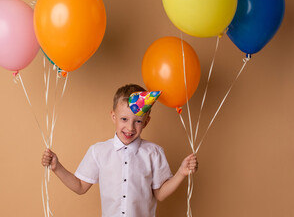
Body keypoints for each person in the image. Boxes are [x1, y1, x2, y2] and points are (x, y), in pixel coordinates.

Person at [42, 84, 198, 217]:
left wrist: (181, 172)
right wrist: (57, 167)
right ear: (113, 116)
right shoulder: (98, 151)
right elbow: (80, 186)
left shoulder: (154, 153)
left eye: (137, 121)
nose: (130, 128)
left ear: (146, 122)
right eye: (124, 119)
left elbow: (160, 194)